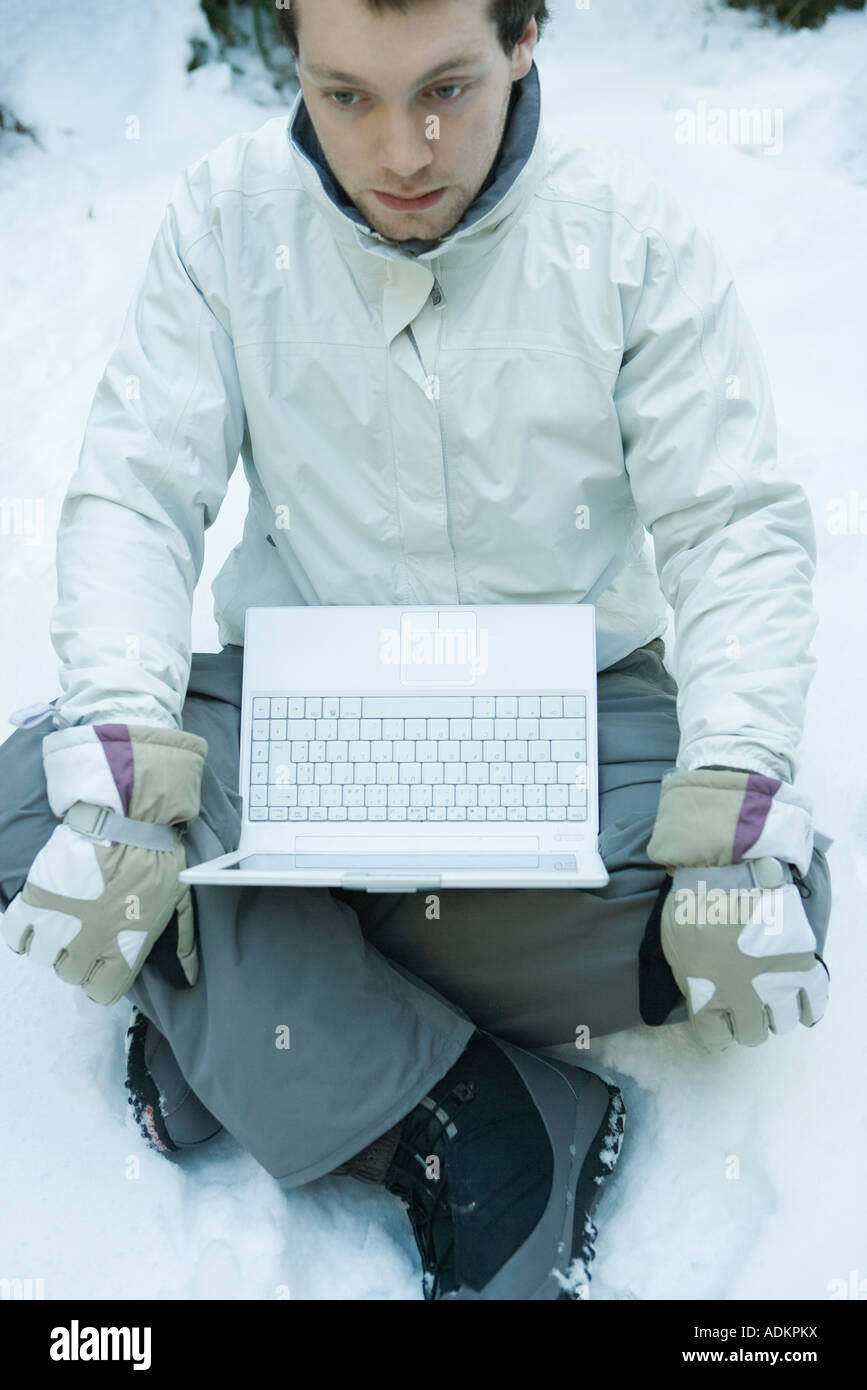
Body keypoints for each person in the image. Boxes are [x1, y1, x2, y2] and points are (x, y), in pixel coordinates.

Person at [0, 0, 832, 1301]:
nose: (400, 150)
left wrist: (735, 805)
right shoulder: (226, 220)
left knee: (774, 891)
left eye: (445, 86)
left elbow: (731, 524)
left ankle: (248, 1005)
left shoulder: (630, 233)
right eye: (347, 97)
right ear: (292, 47)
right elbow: (135, 492)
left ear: (525, 34)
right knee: (32, 796)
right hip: (296, 711)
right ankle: (470, 1119)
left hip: (569, 722)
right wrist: (121, 760)